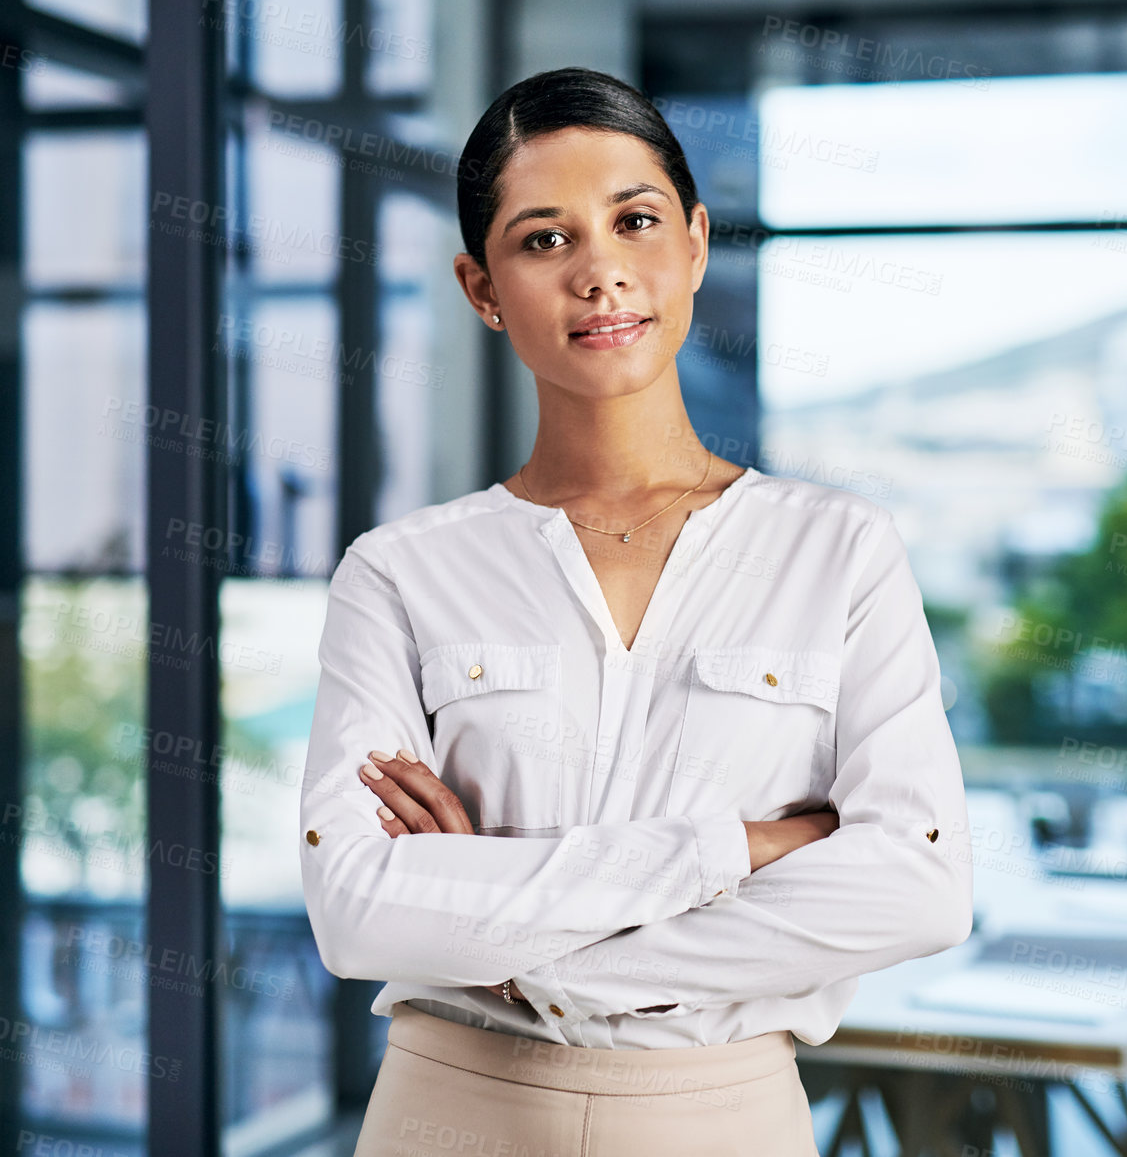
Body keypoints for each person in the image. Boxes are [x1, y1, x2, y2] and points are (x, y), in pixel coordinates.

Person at [297, 65, 972, 1156]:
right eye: (544, 240)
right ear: (481, 288)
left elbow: (917, 885)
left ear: (695, 243)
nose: (600, 272)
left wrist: (523, 949)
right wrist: (739, 845)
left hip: (722, 1115)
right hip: (451, 1111)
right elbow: (358, 907)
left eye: (635, 220)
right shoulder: (398, 573)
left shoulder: (836, 549)